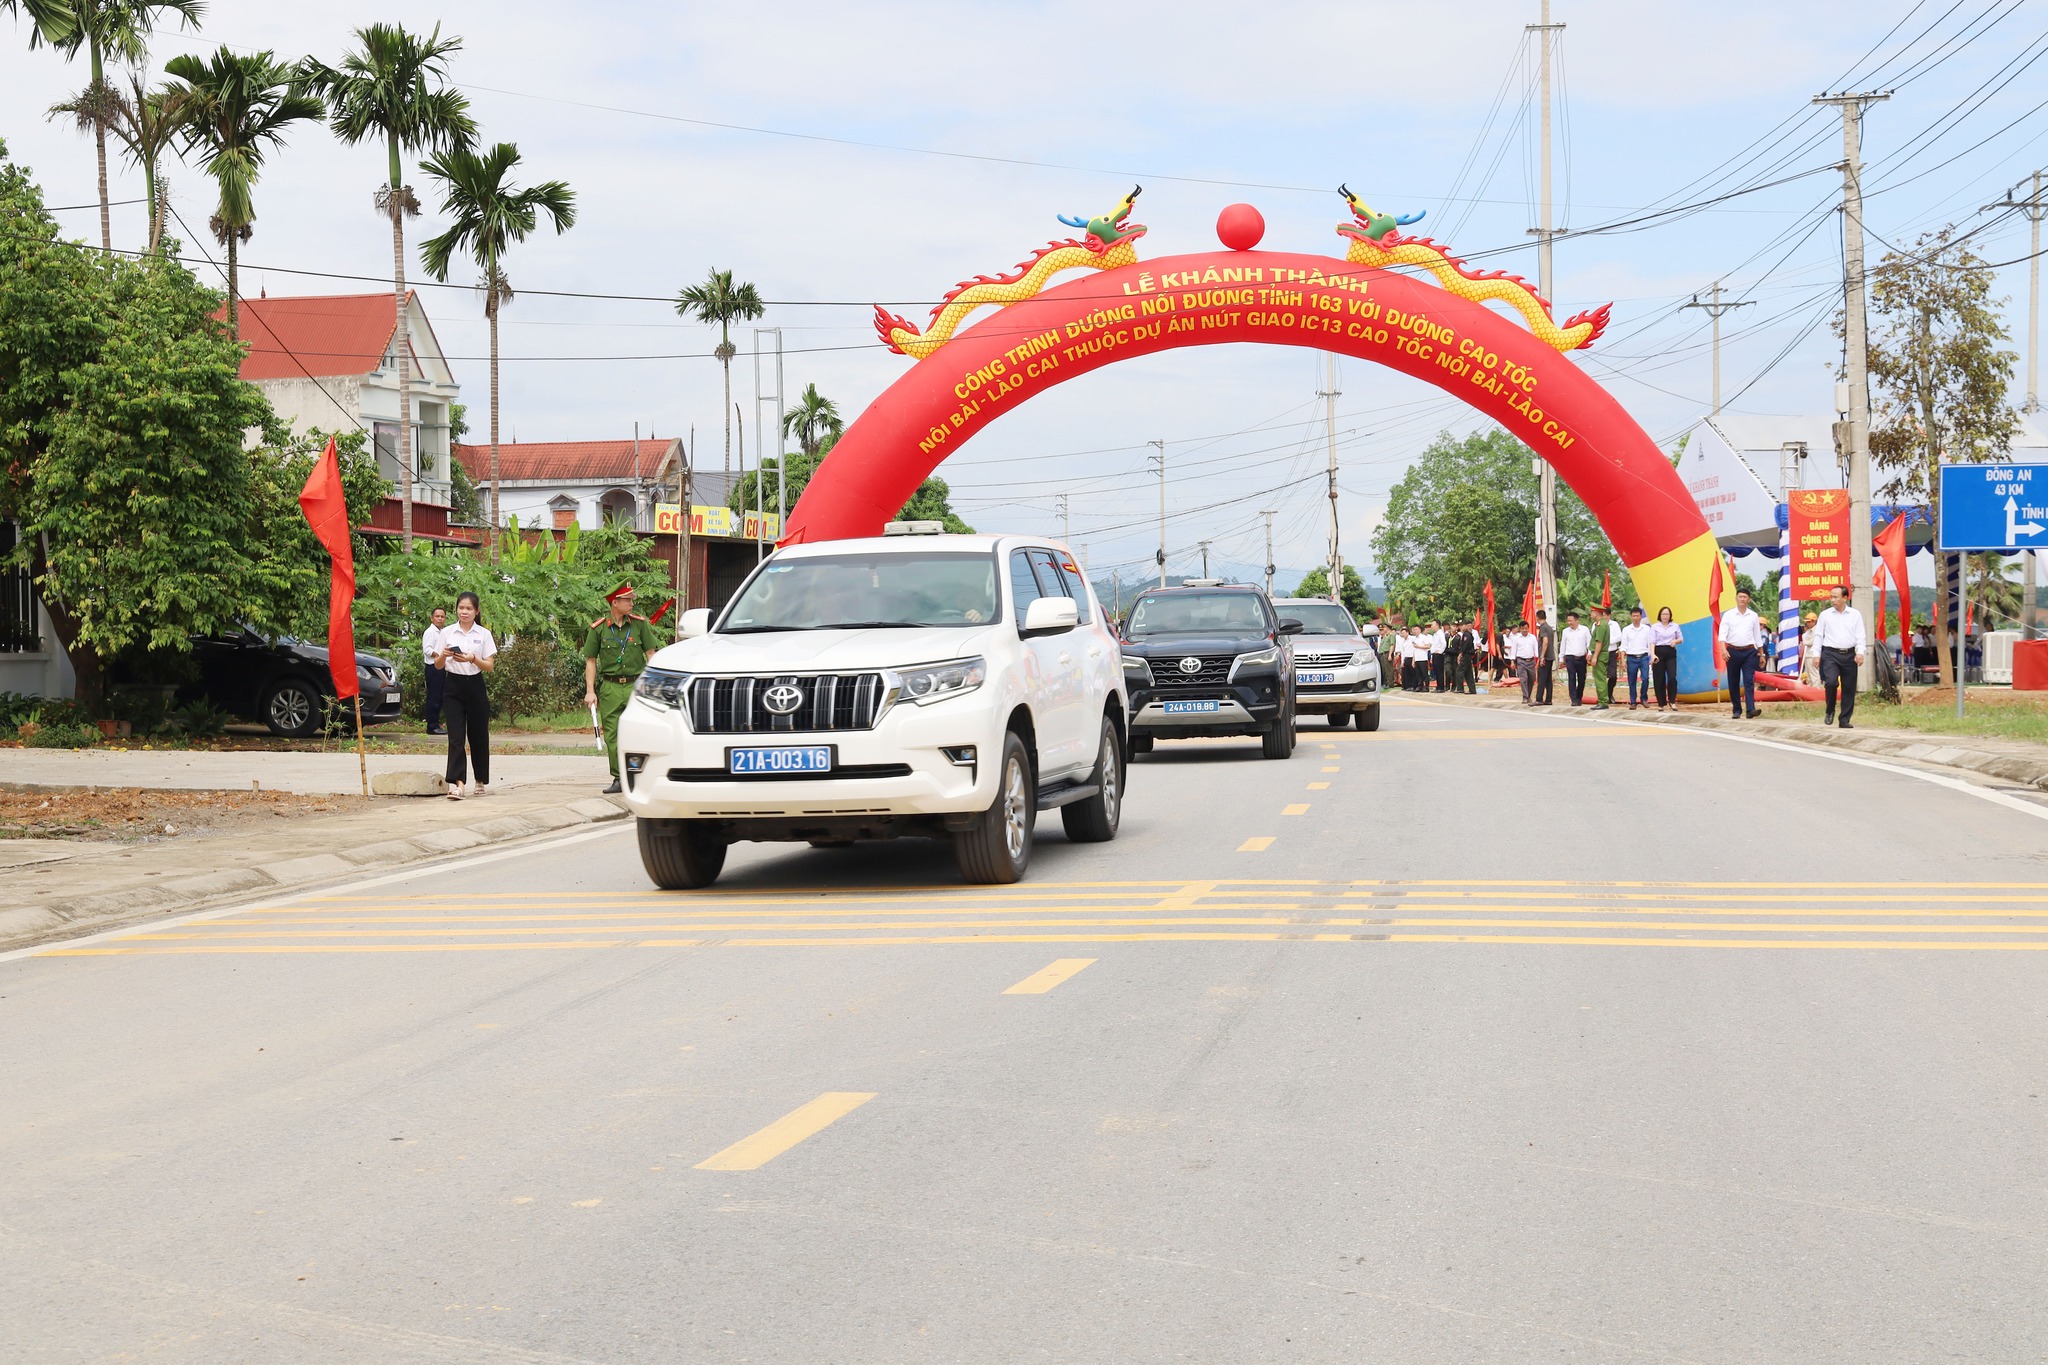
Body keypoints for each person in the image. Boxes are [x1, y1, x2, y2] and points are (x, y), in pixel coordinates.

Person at [584, 581, 663, 794]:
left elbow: (650, 654)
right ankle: (619, 778)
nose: (631, 603)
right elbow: (591, 661)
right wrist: (590, 691)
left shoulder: (639, 625)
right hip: (610, 687)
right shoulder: (599, 628)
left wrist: (654, 685)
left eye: (631, 599)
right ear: (615, 602)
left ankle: (640, 775)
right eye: (627, 600)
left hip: (635, 685)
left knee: (640, 731)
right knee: (612, 734)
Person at [435, 590, 496, 799]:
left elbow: (489, 666)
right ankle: (458, 783)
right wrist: (443, 655)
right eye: (461, 608)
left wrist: (472, 659)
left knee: (478, 735)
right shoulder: (448, 632)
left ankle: (480, 780)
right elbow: (437, 665)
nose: (464, 612)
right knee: (456, 737)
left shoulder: (483, 634)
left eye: (469, 608)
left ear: (476, 611)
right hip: (452, 686)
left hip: (475, 685)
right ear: (456, 609)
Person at [1812, 584, 1867, 729]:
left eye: (1835, 597)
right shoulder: (1825, 615)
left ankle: (1844, 719)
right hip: (1830, 654)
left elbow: (1860, 635)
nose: (1832, 600)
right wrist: (1816, 655)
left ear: (1845, 598)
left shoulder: (1855, 614)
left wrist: (1860, 652)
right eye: (1831, 597)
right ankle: (1829, 710)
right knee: (1830, 682)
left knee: (1849, 688)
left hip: (1849, 654)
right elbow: (1818, 635)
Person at [1720, 588, 1767, 719]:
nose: (1742, 599)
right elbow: (1722, 634)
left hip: (1750, 652)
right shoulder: (1728, 615)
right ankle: (1736, 709)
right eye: (1740, 596)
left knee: (1749, 680)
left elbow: (1757, 636)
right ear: (1736, 598)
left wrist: (1762, 654)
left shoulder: (1753, 615)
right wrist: (1723, 650)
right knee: (1733, 681)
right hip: (1732, 651)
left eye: (1745, 597)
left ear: (1749, 600)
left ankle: (1750, 709)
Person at [420, 605, 447, 736]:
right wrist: (439, 655)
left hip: (440, 667)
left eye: (442, 617)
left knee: (440, 696)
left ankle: (436, 723)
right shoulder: (430, 632)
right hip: (433, 667)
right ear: (432, 618)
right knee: (434, 697)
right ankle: (432, 726)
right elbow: (427, 649)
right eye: (437, 616)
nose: (440, 619)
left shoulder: (441, 632)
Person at [1649, 606, 1683, 710]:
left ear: (1670, 616)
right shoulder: (1655, 627)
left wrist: (1675, 641)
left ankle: (1672, 701)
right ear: (1660, 615)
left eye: (1667, 614)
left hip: (1670, 652)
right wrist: (1653, 654)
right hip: (1658, 651)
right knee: (1659, 678)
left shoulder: (1675, 626)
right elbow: (1652, 641)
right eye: (1663, 614)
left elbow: (1681, 639)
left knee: (1672, 677)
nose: (1665, 616)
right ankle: (1661, 703)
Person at [1619, 606, 1652, 709]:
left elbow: (1650, 643)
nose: (1635, 618)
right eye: (1633, 616)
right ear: (1631, 616)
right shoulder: (1626, 630)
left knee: (1645, 678)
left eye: (1637, 616)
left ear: (1641, 616)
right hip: (1632, 657)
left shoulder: (1646, 629)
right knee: (1632, 680)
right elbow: (1623, 646)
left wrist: (1651, 657)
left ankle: (1644, 698)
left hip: (1644, 657)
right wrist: (1623, 660)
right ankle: (1633, 701)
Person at [1559, 610, 1591, 706]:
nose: (1569, 623)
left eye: (1571, 621)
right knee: (1571, 678)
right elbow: (1563, 645)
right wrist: (1561, 658)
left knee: (1582, 679)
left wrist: (1590, 653)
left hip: (1581, 658)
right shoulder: (1565, 631)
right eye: (1568, 621)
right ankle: (1573, 699)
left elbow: (1589, 643)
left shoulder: (1584, 630)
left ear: (1577, 620)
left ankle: (1579, 697)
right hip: (1570, 658)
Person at [1588, 605, 1615, 710]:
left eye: (1592, 612)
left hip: (1600, 654)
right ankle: (1602, 700)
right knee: (1600, 678)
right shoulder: (1603, 624)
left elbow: (1599, 642)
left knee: (1600, 679)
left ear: (1595, 613)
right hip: (1602, 653)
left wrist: (1595, 656)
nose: (1591, 615)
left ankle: (1603, 701)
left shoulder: (1600, 625)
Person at [1510, 618, 1540, 704]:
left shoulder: (1533, 637)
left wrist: (1538, 659)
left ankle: (1528, 695)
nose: (1524, 630)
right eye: (1523, 628)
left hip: (1531, 661)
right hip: (1521, 661)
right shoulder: (1517, 638)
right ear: (1520, 629)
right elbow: (1514, 650)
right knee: (1523, 679)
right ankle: (1525, 696)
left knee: (1532, 679)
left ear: (1528, 628)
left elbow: (1536, 649)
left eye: (1526, 628)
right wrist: (1512, 661)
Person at [1534, 613, 1555, 705]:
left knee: (1541, 678)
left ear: (1537, 617)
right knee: (1548, 679)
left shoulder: (1543, 628)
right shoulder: (1549, 627)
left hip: (1545, 657)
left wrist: (1542, 656)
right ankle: (1548, 699)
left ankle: (1539, 698)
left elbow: (1545, 642)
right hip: (1550, 656)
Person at [1427, 621, 1447, 692]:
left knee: (1439, 671)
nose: (1431, 626)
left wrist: (1440, 651)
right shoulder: (1435, 634)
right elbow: (1433, 646)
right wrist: (1432, 656)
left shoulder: (1440, 633)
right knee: (1436, 671)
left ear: (1437, 625)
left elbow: (1444, 643)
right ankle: (1438, 686)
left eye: (1432, 625)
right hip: (1434, 654)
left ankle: (1441, 687)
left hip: (1438, 655)